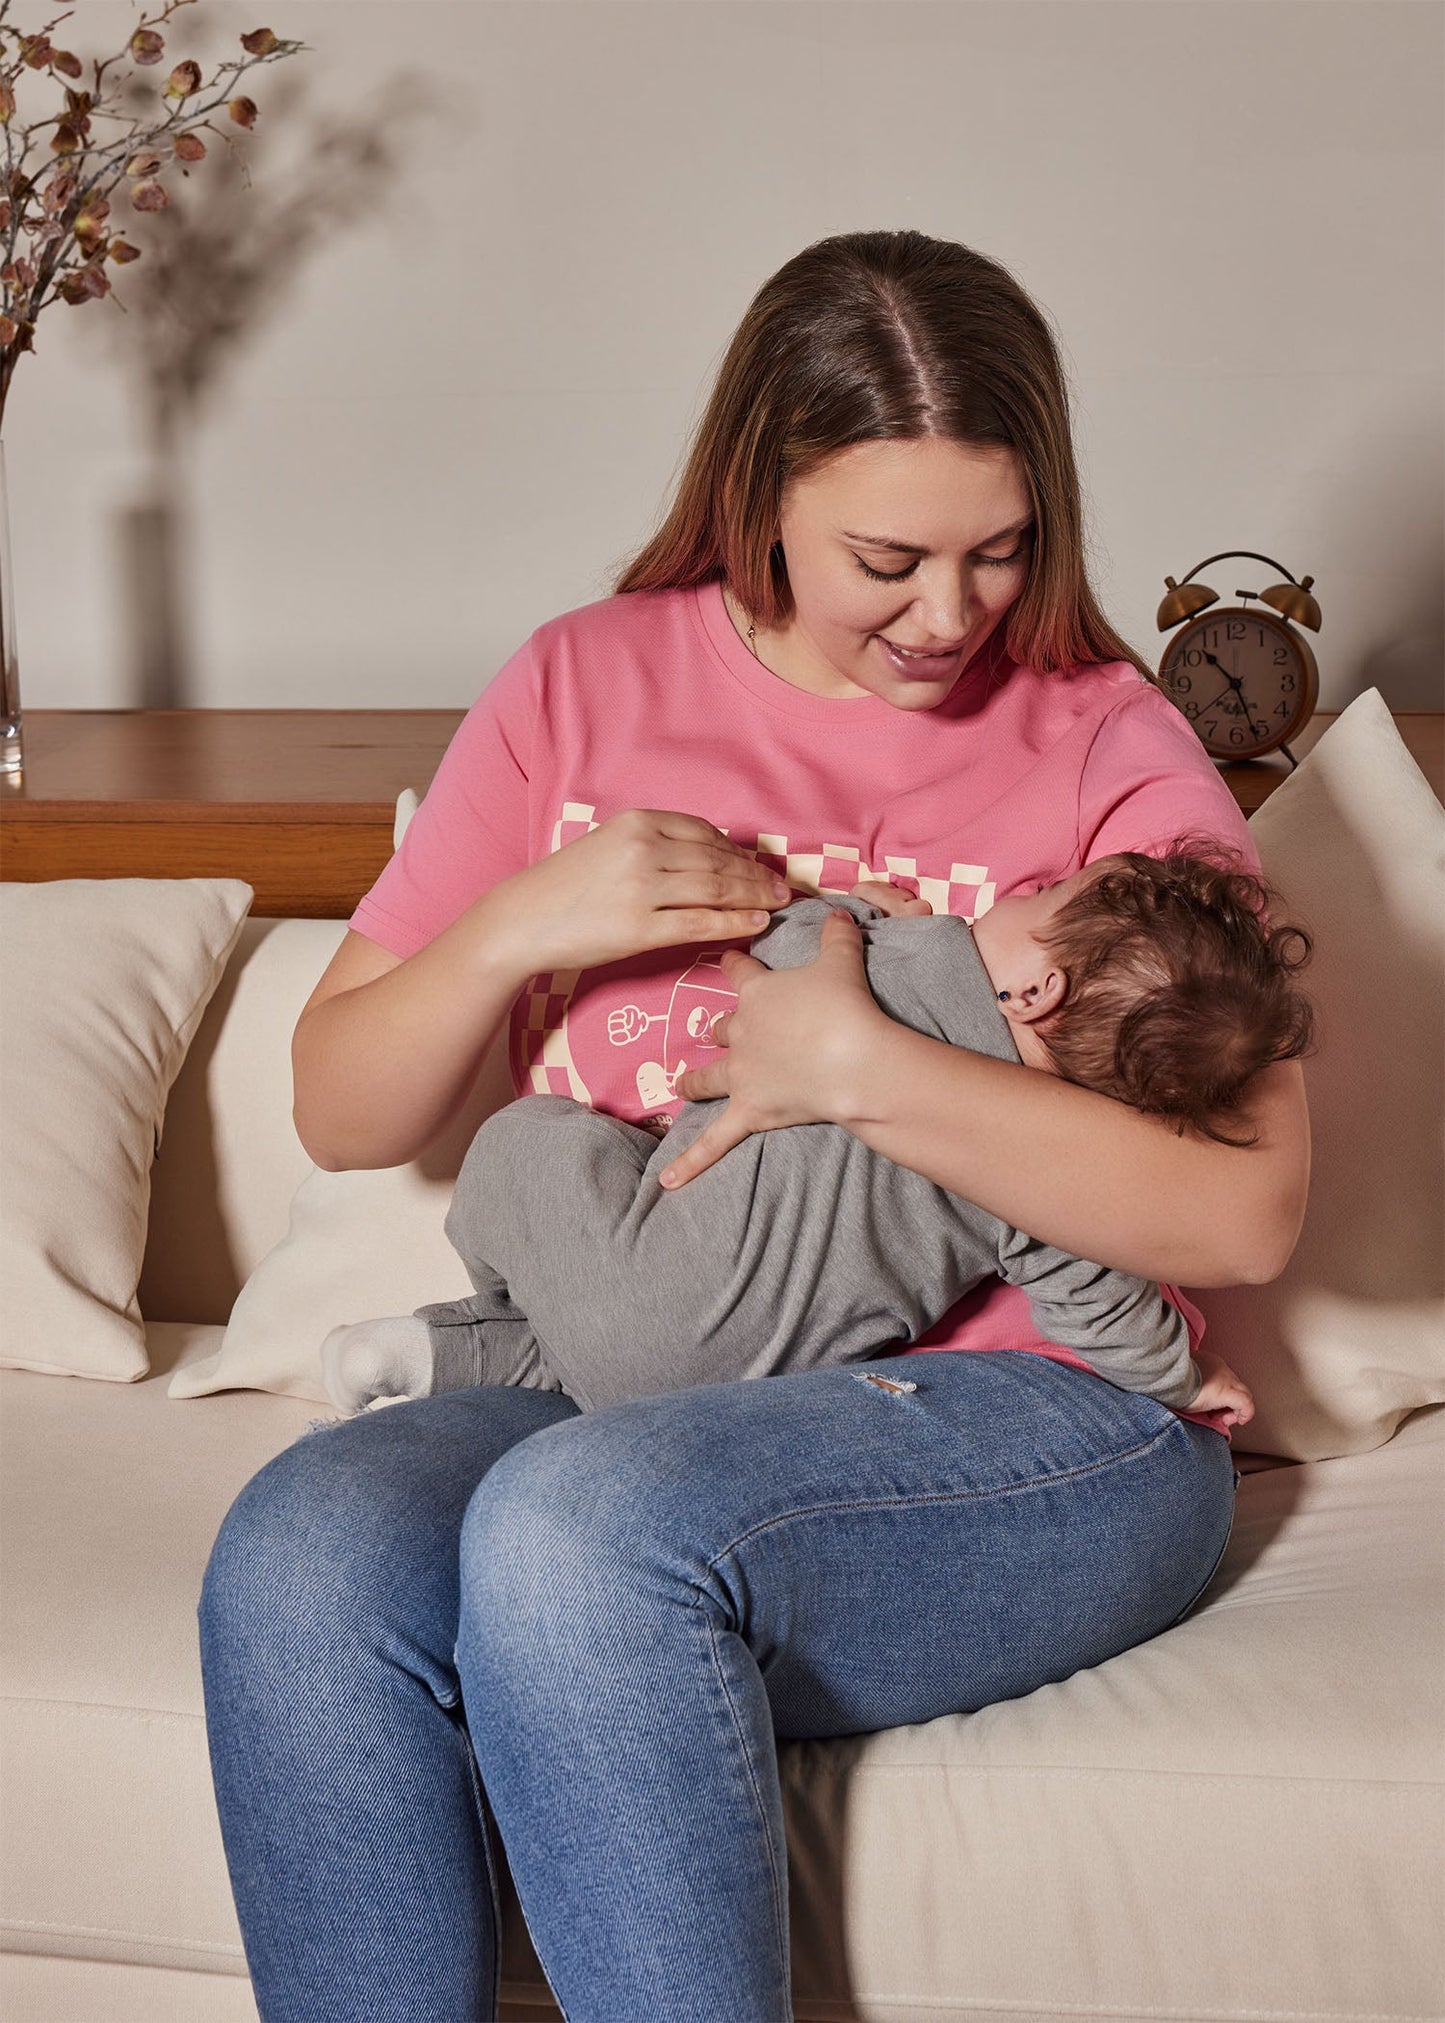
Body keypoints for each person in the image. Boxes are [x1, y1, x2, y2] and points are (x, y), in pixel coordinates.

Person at [198, 230, 1311, 2023]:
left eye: (998, 549)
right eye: (890, 560)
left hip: (1036, 1413)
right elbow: (342, 1108)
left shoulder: (1109, 736)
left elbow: (1247, 1211)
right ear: (762, 498)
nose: (950, 615)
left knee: (580, 1535)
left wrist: (861, 1064)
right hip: (631, 1368)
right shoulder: (578, 686)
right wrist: (523, 922)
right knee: (301, 1556)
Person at [319, 842, 1313, 1427]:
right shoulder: (1042, 1175)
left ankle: (478, 1317)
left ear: (1035, 986)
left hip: (630, 1262)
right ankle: (424, 1354)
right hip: (739, 1401)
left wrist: (844, 911)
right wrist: (1186, 1379)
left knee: (537, 1136)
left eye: (1042, 895)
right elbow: (1105, 1307)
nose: (1019, 892)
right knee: (629, 1357)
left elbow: (782, 943)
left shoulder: (899, 951)